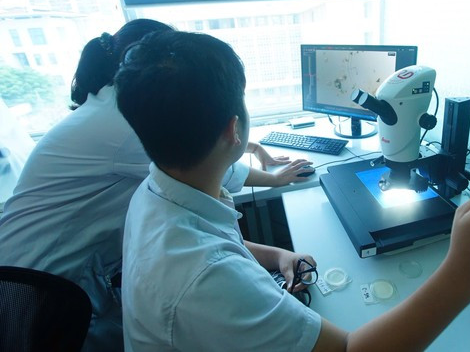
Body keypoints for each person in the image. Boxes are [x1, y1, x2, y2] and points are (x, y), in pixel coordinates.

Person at [115, 30, 470, 351]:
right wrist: (469, 268)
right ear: (233, 128)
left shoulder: (157, 191)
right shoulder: (208, 283)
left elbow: (219, 244)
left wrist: (277, 255)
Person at [0, 20, 312, 352]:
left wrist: (276, 253)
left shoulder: (149, 181)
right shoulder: (123, 131)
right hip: (36, 279)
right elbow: (211, 154)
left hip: (44, 266)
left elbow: (203, 138)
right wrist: (274, 178)